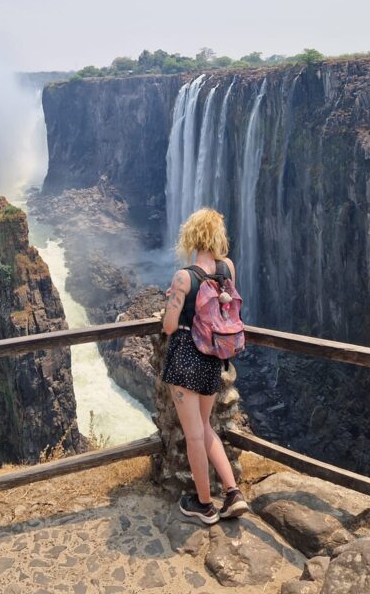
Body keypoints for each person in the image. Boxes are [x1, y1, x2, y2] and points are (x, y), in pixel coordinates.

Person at [161, 207, 249, 524]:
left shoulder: (184, 277)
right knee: (207, 426)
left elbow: (170, 326)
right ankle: (233, 492)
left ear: (191, 237)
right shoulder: (228, 269)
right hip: (214, 358)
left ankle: (204, 506)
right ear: (217, 236)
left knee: (194, 434)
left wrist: (173, 300)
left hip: (186, 358)